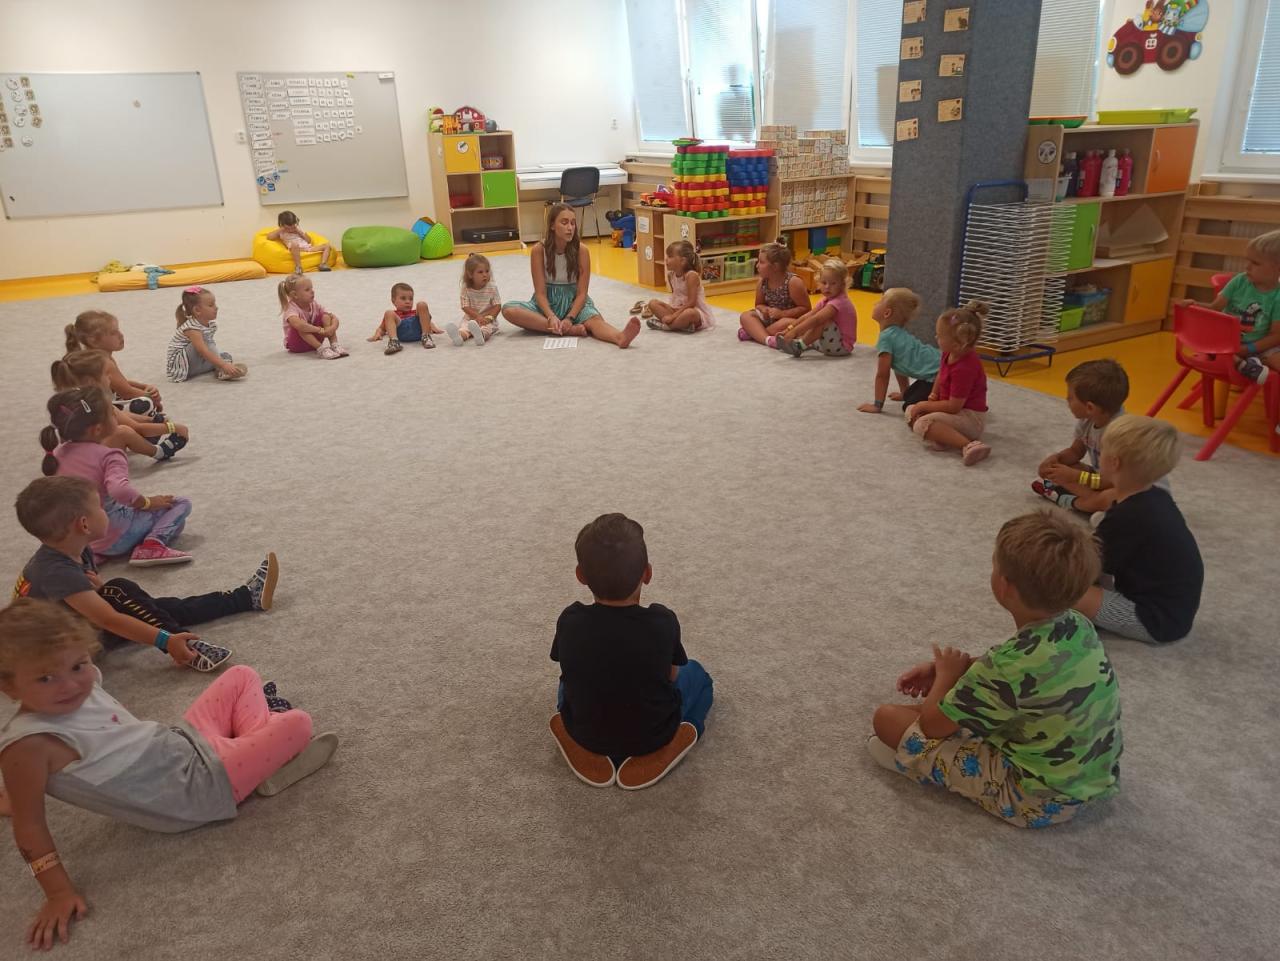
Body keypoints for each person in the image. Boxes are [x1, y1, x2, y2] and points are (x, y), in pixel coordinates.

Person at [0, 598, 338, 950]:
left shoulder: (73, 688)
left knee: (242, 675)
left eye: (78, 665)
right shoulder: (28, 746)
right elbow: (29, 824)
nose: (71, 685)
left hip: (180, 743)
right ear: (8, 687)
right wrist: (57, 893)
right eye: (46, 678)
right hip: (190, 790)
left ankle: (260, 756)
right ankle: (264, 753)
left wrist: (13, 795)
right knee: (299, 723)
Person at [868, 510, 1122, 828]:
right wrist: (957, 669)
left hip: (1036, 799)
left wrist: (946, 676)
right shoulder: (1079, 625)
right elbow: (1017, 672)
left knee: (888, 719)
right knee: (934, 711)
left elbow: (932, 726)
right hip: (1092, 777)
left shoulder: (1005, 669)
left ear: (1004, 586)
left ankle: (916, 763)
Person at [11, 475, 280, 672]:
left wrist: (98, 590)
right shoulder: (58, 571)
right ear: (84, 524)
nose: (105, 511)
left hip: (75, 630)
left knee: (155, 608)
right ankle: (184, 646)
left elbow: (87, 606)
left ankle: (245, 597)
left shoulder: (72, 550)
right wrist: (165, 640)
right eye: (101, 507)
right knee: (120, 591)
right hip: (58, 658)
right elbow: (109, 619)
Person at [549, 513, 713, 790]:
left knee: (567, 687)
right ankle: (677, 740)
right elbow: (672, 677)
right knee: (699, 676)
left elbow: (566, 667)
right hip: (653, 734)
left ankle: (576, 742)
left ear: (580, 576)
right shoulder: (662, 622)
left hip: (584, 731)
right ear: (647, 573)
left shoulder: (570, 619)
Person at [1073, 415, 1203, 644]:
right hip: (1172, 611)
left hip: (1154, 620)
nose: (1098, 456)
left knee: (1060, 590)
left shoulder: (1127, 518)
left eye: (1102, 451)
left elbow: (1085, 566)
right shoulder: (1155, 497)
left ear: (1114, 462)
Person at [39, 387, 193, 566]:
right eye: (113, 414)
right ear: (98, 429)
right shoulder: (109, 455)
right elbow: (120, 490)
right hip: (114, 533)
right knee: (179, 505)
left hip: (81, 538)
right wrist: (148, 502)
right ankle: (152, 546)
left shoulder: (56, 454)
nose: (117, 417)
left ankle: (92, 555)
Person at [502, 203, 641, 348]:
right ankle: (565, 330)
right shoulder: (538, 250)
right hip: (547, 303)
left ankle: (619, 337)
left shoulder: (582, 251)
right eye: (564, 223)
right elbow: (540, 293)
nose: (570, 228)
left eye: (573, 223)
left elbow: (582, 293)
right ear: (552, 225)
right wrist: (550, 316)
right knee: (509, 310)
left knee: (595, 321)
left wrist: (570, 317)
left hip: (575, 302)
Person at [51, 350, 188, 462]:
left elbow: (120, 415)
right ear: (91, 381)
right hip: (90, 460)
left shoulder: (71, 399)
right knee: (123, 432)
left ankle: (151, 423)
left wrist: (151, 421)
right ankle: (159, 452)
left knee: (118, 417)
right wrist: (173, 428)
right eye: (107, 375)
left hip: (68, 457)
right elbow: (138, 428)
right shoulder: (97, 404)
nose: (110, 379)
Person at [1033, 359, 1131, 515]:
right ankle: (1089, 500)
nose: (1067, 400)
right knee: (1068, 468)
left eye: (1070, 397)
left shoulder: (1119, 434)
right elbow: (1075, 451)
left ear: (1090, 407)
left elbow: (1110, 481)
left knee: (1109, 498)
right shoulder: (1087, 420)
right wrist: (1056, 460)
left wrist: (1074, 477)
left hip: (1123, 486)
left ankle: (1074, 502)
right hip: (1100, 477)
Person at [904, 301, 991, 466]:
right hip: (954, 411)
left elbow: (954, 407)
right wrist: (933, 395)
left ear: (957, 344)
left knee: (921, 422)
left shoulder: (964, 368)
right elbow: (941, 374)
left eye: (939, 335)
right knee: (910, 410)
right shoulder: (949, 353)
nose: (936, 337)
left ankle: (969, 445)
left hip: (970, 419)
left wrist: (924, 406)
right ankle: (944, 436)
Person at [1195, 227, 1280, 383]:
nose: (1247, 267)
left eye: (1255, 263)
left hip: (1260, 347)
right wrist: (1194, 306)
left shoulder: (1278, 296)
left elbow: (1276, 336)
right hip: (1228, 344)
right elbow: (1214, 309)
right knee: (1214, 347)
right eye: (1248, 260)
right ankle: (1244, 364)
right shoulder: (1240, 281)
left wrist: (1248, 349)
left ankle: (1251, 363)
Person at [64, 309, 163, 417]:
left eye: (118, 330)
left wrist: (144, 386)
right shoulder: (103, 362)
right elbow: (126, 392)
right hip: (94, 412)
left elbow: (120, 383)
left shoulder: (97, 356)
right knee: (145, 403)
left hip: (92, 406)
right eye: (113, 333)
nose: (121, 335)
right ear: (92, 340)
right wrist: (153, 398)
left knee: (140, 398)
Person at [857, 288, 938, 414]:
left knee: (910, 406)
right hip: (937, 370)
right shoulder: (896, 334)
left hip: (938, 376)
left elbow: (882, 375)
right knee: (909, 396)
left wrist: (877, 405)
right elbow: (898, 367)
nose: (874, 303)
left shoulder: (886, 338)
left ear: (887, 313)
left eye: (880, 302)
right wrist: (904, 392)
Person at [770, 259, 857, 357]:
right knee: (807, 322)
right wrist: (789, 329)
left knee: (822, 321)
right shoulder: (825, 300)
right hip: (826, 342)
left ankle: (799, 346)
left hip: (841, 347)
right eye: (824, 283)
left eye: (833, 283)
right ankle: (798, 341)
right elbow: (808, 316)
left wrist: (795, 332)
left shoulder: (839, 302)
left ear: (842, 285)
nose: (827, 287)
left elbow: (816, 319)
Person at [166, 286, 247, 382]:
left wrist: (220, 360)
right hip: (181, 366)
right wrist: (223, 364)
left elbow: (209, 349)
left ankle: (221, 371)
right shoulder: (192, 328)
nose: (216, 307)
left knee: (224, 355)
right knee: (207, 344)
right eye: (211, 305)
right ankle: (222, 368)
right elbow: (203, 351)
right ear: (197, 310)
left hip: (194, 364)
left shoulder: (210, 324)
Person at [736, 242, 811, 345]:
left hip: (789, 321)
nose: (757, 265)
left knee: (784, 323)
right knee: (745, 316)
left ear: (775, 266)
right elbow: (759, 304)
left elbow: (806, 309)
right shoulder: (762, 281)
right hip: (770, 320)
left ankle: (755, 333)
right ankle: (768, 339)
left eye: (761, 262)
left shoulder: (793, 282)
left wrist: (782, 314)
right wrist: (764, 309)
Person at [642, 241, 714, 333]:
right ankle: (682, 325)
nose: (666, 259)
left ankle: (667, 327)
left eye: (670, 256)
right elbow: (675, 297)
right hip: (677, 310)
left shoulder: (691, 275)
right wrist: (671, 312)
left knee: (689, 313)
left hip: (694, 311)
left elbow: (691, 303)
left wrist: (673, 316)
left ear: (682, 261)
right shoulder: (671, 276)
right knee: (653, 303)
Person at [278, 274, 349, 359]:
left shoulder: (313, 304)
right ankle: (321, 349)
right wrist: (320, 330)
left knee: (325, 316)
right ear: (295, 295)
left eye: (312, 288)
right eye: (307, 290)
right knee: (302, 326)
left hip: (314, 340)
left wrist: (331, 329)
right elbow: (300, 325)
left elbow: (333, 317)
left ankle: (335, 344)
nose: (312, 291)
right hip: (297, 344)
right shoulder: (290, 308)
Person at [369, 282, 442, 353]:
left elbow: (426, 320)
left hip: (418, 331)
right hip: (401, 330)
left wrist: (432, 327)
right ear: (393, 301)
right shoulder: (393, 316)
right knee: (388, 312)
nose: (408, 301)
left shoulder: (416, 312)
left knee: (422, 304)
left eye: (411, 299)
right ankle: (394, 342)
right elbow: (382, 328)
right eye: (403, 298)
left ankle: (426, 336)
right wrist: (377, 334)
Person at [446, 254, 502, 346]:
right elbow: (465, 306)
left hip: (487, 318)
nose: (485, 274)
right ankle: (459, 337)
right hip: (471, 318)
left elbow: (497, 306)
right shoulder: (466, 288)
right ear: (470, 274)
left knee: (486, 328)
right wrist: (477, 316)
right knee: (465, 328)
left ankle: (481, 335)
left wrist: (489, 318)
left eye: (487, 271)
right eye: (480, 272)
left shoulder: (492, 287)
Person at [266, 210, 333, 274]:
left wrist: (299, 232)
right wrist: (281, 229)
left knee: (327, 246)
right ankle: (298, 267)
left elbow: (309, 241)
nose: (291, 230)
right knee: (295, 244)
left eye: (293, 227)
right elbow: (269, 237)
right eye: (288, 228)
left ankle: (323, 264)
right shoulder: (281, 232)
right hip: (294, 249)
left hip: (307, 248)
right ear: (282, 225)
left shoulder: (298, 230)